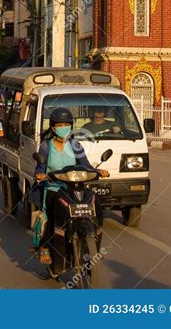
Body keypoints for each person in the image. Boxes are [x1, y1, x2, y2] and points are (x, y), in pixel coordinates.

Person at [29, 107, 109, 267]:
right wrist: (40, 175)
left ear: (71, 127)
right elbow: (40, 167)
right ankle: (45, 247)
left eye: (66, 124)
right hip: (53, 189)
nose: (63, 127)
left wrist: (98, 171)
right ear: (53, 127)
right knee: (53, 221)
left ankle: (93, 246)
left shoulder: (75, 145)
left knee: (95, 207)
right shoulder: (46, 146)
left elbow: (85, 165)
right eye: (59, 125)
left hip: (73, 189)